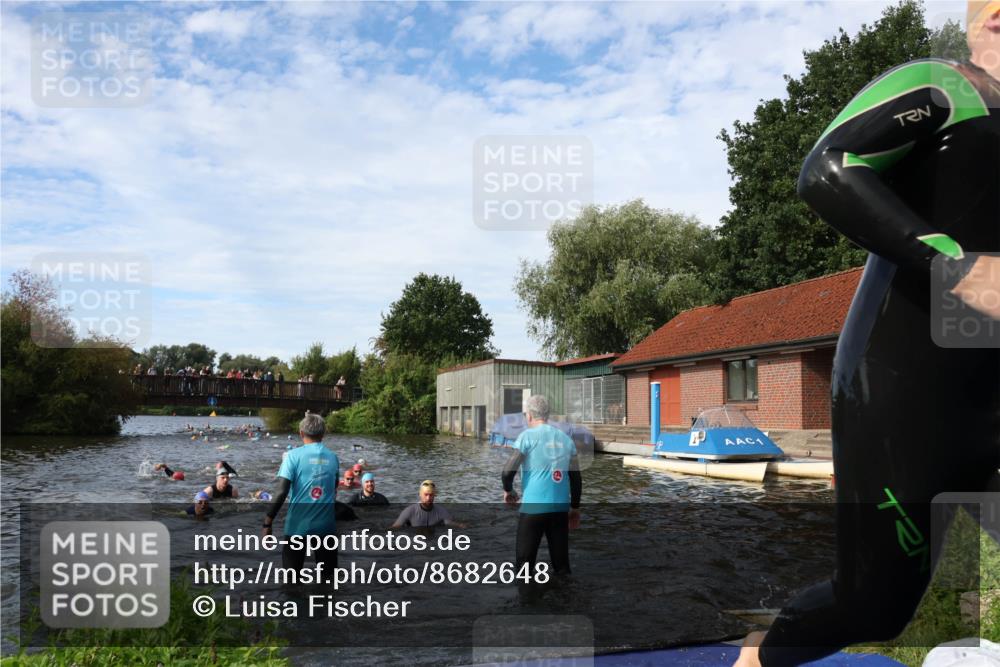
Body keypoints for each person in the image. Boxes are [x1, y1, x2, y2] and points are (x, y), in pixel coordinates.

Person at [736, 6, 1000, 666]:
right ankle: (753, 658)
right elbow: (827, 168)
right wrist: (954, 266)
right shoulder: (942, 85)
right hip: (902, 388)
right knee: (875, 604)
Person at [501, 395, 581, 576]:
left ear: (528, 416)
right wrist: (574, 508)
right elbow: (576, 479)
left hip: (533, 510)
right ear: (548, 414)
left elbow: (507, 473)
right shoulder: (567, 440)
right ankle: (565, 601)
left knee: (524, 569)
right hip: (560, 510)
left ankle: (528, 602)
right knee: (561, 568)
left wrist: (509, 491)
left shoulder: (526, 437)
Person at [263, 412, 340, 571]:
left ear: (301, 433)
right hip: (326, 527)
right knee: (328, 580)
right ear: (323, 434)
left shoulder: (292, 456)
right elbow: (334, 489)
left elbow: (281, 492)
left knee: (292, 578)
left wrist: (267, 523)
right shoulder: (333, 458)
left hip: (298, 526)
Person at [391, 480, 466, 528]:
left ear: (434, 495)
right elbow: (395, 528)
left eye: (431, 495)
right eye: (426, 495)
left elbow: (451, 523)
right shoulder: (410, 511)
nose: (428, 498)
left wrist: (462, 526)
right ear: (420, 494)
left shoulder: (442, 511)